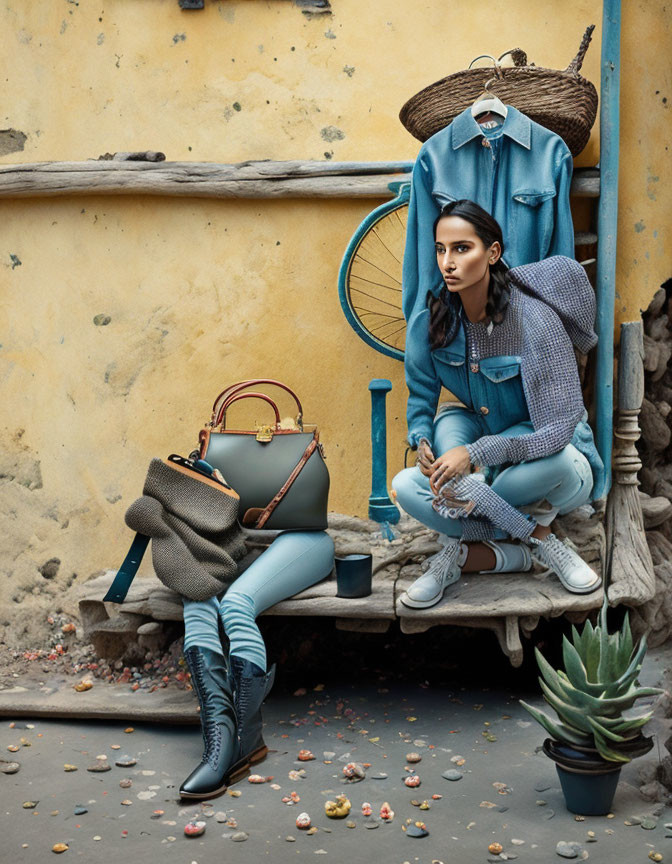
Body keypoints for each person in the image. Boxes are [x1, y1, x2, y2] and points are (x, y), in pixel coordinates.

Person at [392, 199, 604, 609]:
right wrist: (421, 440)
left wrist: (474, 454)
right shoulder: (431, 320)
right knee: (406, 484)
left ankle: (460, 547)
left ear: (492, 253)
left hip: (542, 449)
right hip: (476, 433)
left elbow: (559, 429)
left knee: (512, 481)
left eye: (461, 248)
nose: (448, 262)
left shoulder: (533, 319)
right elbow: (421, 395)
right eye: (440, 249)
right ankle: (533, 541)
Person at [179, 530, 334, 799]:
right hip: (223, 547)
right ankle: (220, 738)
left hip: (297, 538)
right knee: (197, 599)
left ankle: (243, 737)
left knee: (235, 605)